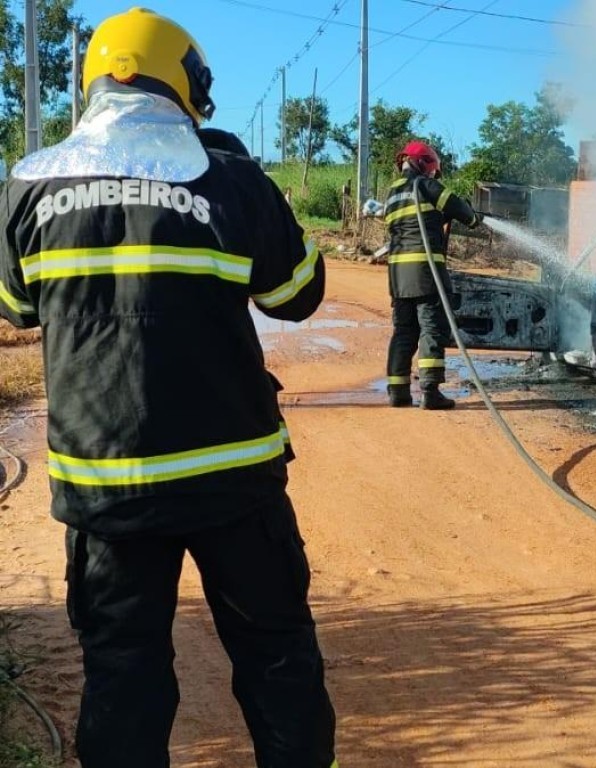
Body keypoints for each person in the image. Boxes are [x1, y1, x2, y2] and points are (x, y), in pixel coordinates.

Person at [0, 8, 336, 767]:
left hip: (106, 490)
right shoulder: (233, 179)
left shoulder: (24, 188)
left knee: (123, 674)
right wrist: (259, 192)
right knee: (277, 658)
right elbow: (298, 297)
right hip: (235, 482)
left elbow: (16, 307)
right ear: (188, 84)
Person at [384, 140, 483, 410]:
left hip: (398, 276)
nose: (432, 175)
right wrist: (474, 219)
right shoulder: (425, 186)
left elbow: (413, 224)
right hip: (426, 273)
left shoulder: (392, 193)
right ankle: (430, 392)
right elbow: (460, 209)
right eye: (431, 170)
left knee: (403, 331)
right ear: (424, 163)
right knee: (432, 329)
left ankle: (398, 391)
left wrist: (437, 220)